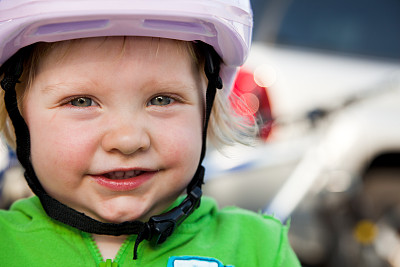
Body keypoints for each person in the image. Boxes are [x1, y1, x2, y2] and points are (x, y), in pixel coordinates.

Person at [0, 0, 300, 266]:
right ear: (18, 117)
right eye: (81, 102)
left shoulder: (259, 249)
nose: (127, 140)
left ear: (207, 111)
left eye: (162, 100)